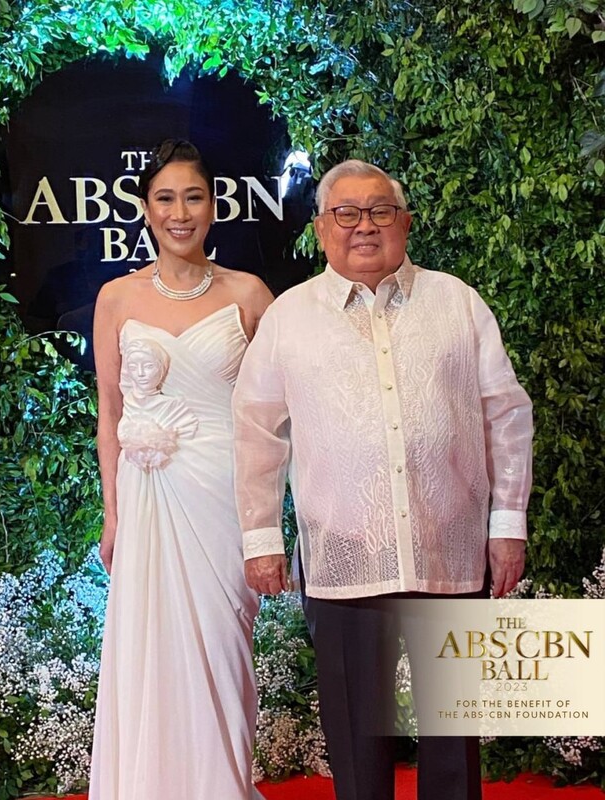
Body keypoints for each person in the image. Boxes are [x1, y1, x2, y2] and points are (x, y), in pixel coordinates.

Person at [232, 159, 534, 800]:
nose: (363, 226)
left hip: (450, 549)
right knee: (356, 740)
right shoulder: (289, 317)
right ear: (320, 229)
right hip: (345, 557)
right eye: (346, 213)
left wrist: (507, 526)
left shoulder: (457, 302)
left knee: (455, 739)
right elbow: (257, 430)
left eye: (379, 211)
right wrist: (260, 539)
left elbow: (505, 414)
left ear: (406, 223)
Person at [89, 139, 273, 800]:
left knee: (223, 656)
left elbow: (278, 412)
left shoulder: (249, 294)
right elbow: (109, 413)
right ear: (144, 208)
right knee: (150, 660)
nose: (180, 211)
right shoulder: (116, 298)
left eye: (193, 196)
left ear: (214, 205)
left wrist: (267, 521)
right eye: (165, 198)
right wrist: (113, 515)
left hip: (224, 500)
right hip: (147, 501)